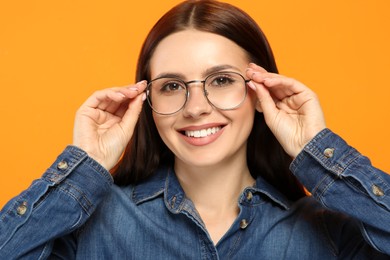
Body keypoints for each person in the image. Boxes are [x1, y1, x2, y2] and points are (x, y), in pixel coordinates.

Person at [0, 0, 389, 259]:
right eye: (171, 86)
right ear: (146, 102)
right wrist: (83, 169)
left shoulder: (328, 231)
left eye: (221, 80)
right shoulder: (92, 226)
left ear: (259, 91)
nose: (197, 107)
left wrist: (318, 153)